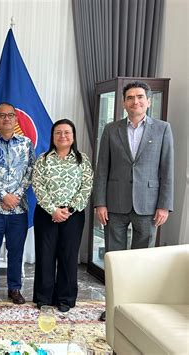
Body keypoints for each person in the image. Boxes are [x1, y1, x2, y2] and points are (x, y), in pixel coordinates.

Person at [93, 81, 174, 321]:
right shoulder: (111, 129)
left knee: (142, 261)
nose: (135, 101)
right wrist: (100, 202)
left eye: (140, 97)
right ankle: (113, 306)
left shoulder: (162, 129)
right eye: (130, 97)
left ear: (148, 101)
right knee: (115, 259)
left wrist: (164, 205)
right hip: (115, 205)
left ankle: (136, 309)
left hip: (148, 206)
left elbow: (167, 169)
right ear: (123, 102)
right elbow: (102, 169)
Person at [31, 119, 93, 312]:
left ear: (73, 136)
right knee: (45, 256)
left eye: (67, 132)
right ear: (52, 136)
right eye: (58, 132)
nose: (63, 136)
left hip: (73, 216)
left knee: (68, 257)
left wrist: (70, 210)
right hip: (46, 214)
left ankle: (65, 299)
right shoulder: (42, 159)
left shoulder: (82, 160)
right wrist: (53, 210)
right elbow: (38, 186)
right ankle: (43, 298)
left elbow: (86, 186)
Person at [0, 102, 35, 305]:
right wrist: (3, 195)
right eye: (2, 115)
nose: (6, 119)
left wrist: (16, 196)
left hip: (19, 208)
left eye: (10, 115)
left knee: (16, 250)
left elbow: (30, 171)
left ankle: (14, 288)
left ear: (16, 119)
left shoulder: (26, 144)